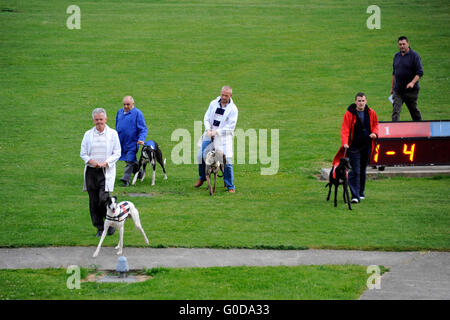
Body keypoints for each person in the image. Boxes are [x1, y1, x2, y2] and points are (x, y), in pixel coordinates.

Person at [80, 108, 121, 237]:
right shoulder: (88, 134)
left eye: (101, 119)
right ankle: (99, 227)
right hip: (91, 172)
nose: (99, 122)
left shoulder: (113, 134)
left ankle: (110, 224)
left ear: (106, 119)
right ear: (93, 120)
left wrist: (106, 162)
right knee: (93, 200)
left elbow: (117, 152)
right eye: (97, 120)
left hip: (105, 171)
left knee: (103, 199)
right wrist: (91, 161)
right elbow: (83, 153)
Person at [332, 93, 379, 203]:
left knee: (362, 170)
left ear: (366, 101)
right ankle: (355, 196)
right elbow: (345, 129)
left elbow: (376, 125)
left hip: (367, 145)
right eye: (359, 101)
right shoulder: (349, 114)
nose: (361, 103)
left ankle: (361, 192)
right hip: (353, 147)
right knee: (355, 171)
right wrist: (345, 142)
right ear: (355, 102)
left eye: (363, 100)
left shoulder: (371, 113)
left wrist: (375, 134)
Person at [194, 86, 238, 193]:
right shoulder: (213, 103)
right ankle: (202, 177)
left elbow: (230, 127)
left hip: (223, 138)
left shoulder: (233, 109)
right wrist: (209, 130)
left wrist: (216, 132)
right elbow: (206, 118)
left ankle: (230, 185)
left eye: (226, 95)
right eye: (222, 94)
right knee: (200, 156)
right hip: (209, 134)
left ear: (230, 96)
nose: (223, 97)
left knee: (227, 161)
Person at [115, 96, 147, 186]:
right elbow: (117, 125)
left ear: (133, 104)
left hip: (132, 142)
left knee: (129, 160)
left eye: (128, 104)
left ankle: (126, 180)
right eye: (124, 104)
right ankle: (140, 173)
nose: (125, 106)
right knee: (130, 160)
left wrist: (141, 139)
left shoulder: (137, 114)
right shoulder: (119, 112)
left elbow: (143, 129)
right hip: (121, 142)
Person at [390, 36, 424, 121]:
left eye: (404, 44)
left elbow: (420, 72)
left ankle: (420, 128)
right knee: (395, 111)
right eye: (400, 44)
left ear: (408, 44)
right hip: (398, 90)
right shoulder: (396, 56)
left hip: (411, 91)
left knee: (414, 111)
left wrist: (412, 83)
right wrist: (392, 88)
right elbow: (394, 73)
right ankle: (395, 131)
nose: (402, 46)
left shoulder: (414, 56)